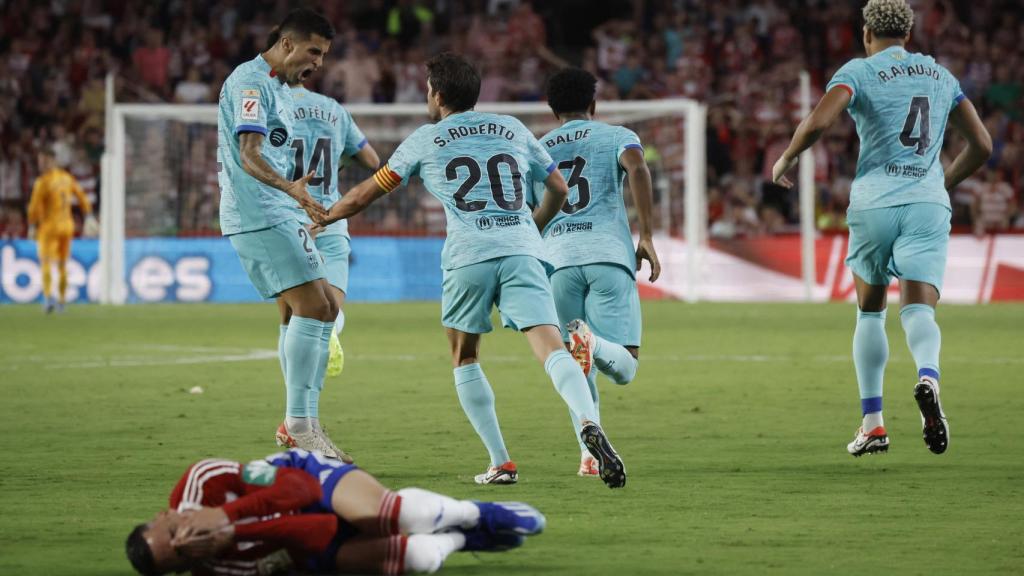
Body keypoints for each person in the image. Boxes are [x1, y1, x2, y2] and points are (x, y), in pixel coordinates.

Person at [316, 53, 626, 489]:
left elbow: (371, 191)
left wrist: (328, 215)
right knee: (552, 347)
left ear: (437, 95)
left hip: (468, 256)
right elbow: (558, 186)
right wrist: (531, 228)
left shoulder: (426, 139)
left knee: (465, 356)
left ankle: (502, 462)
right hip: (521, 249)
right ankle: (589, 422)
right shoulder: (512, 128)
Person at [771, 0, 992, 457]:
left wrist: (788, 156)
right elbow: (982, 145)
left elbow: (819, 123)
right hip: (927, 204)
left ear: (867, 33)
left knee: (870, 311)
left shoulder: (859, 71)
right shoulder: (940, 76)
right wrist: (941, 182)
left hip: (874, 202)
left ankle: (873, 424)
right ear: (909, 37)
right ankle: (928, 377)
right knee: (919, 310)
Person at [217, 9, 343, 458]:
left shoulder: (282, 88)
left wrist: (297, 196)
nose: (318, 63)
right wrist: (289, 188)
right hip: (257, 213)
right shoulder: (250, 83)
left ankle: (303, 422)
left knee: (325, 306)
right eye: (314, 51)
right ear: (287, 44)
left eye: (324, 55)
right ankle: (298, 424)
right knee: (313, 305)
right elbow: (248, 153)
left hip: (281, 210)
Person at [125, 448, 545, 575]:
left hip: (303, 477)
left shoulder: (203, 481)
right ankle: (460, 538)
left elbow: (299, 487)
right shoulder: (222, 568)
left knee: (387, 515)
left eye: (174, 532)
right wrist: (232, 537)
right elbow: (318, 534)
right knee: (414, 559)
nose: (186, 541)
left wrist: (227, 517)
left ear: (165, 516)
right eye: (179, 554)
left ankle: (476, 512)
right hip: (308, 536)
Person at [533, 67, 662, 476]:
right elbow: (638, 169)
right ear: (594, 104)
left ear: (552, 109)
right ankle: (593, 343)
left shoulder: (537, 147)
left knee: (574, 361)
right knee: (624, 365)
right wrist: (647, 235)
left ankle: (589, 455)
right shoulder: (616, 135)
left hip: (557, 261)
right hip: (607, 254)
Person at [270, 28, 383, 463]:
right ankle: (331, 339)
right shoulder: (333, 110)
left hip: (286, 217)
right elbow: (372, 162)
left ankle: (294, 419)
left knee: (291, 320)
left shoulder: (271, 106)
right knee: (325, 313)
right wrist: (337, 159)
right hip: (330, 217)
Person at [27, 146, 96, 313]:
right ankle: (62, 301)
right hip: (67, 226)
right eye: (40, 161)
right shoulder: (67, 178)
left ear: (51, 161)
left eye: (43, 160)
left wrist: (31, 225)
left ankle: (49, 297)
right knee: (63, 264)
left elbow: (34, 207)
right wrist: (88, 215)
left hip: (49, 227)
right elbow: (81, 196)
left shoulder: (42, 182)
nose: (41, 164)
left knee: (45, 261)